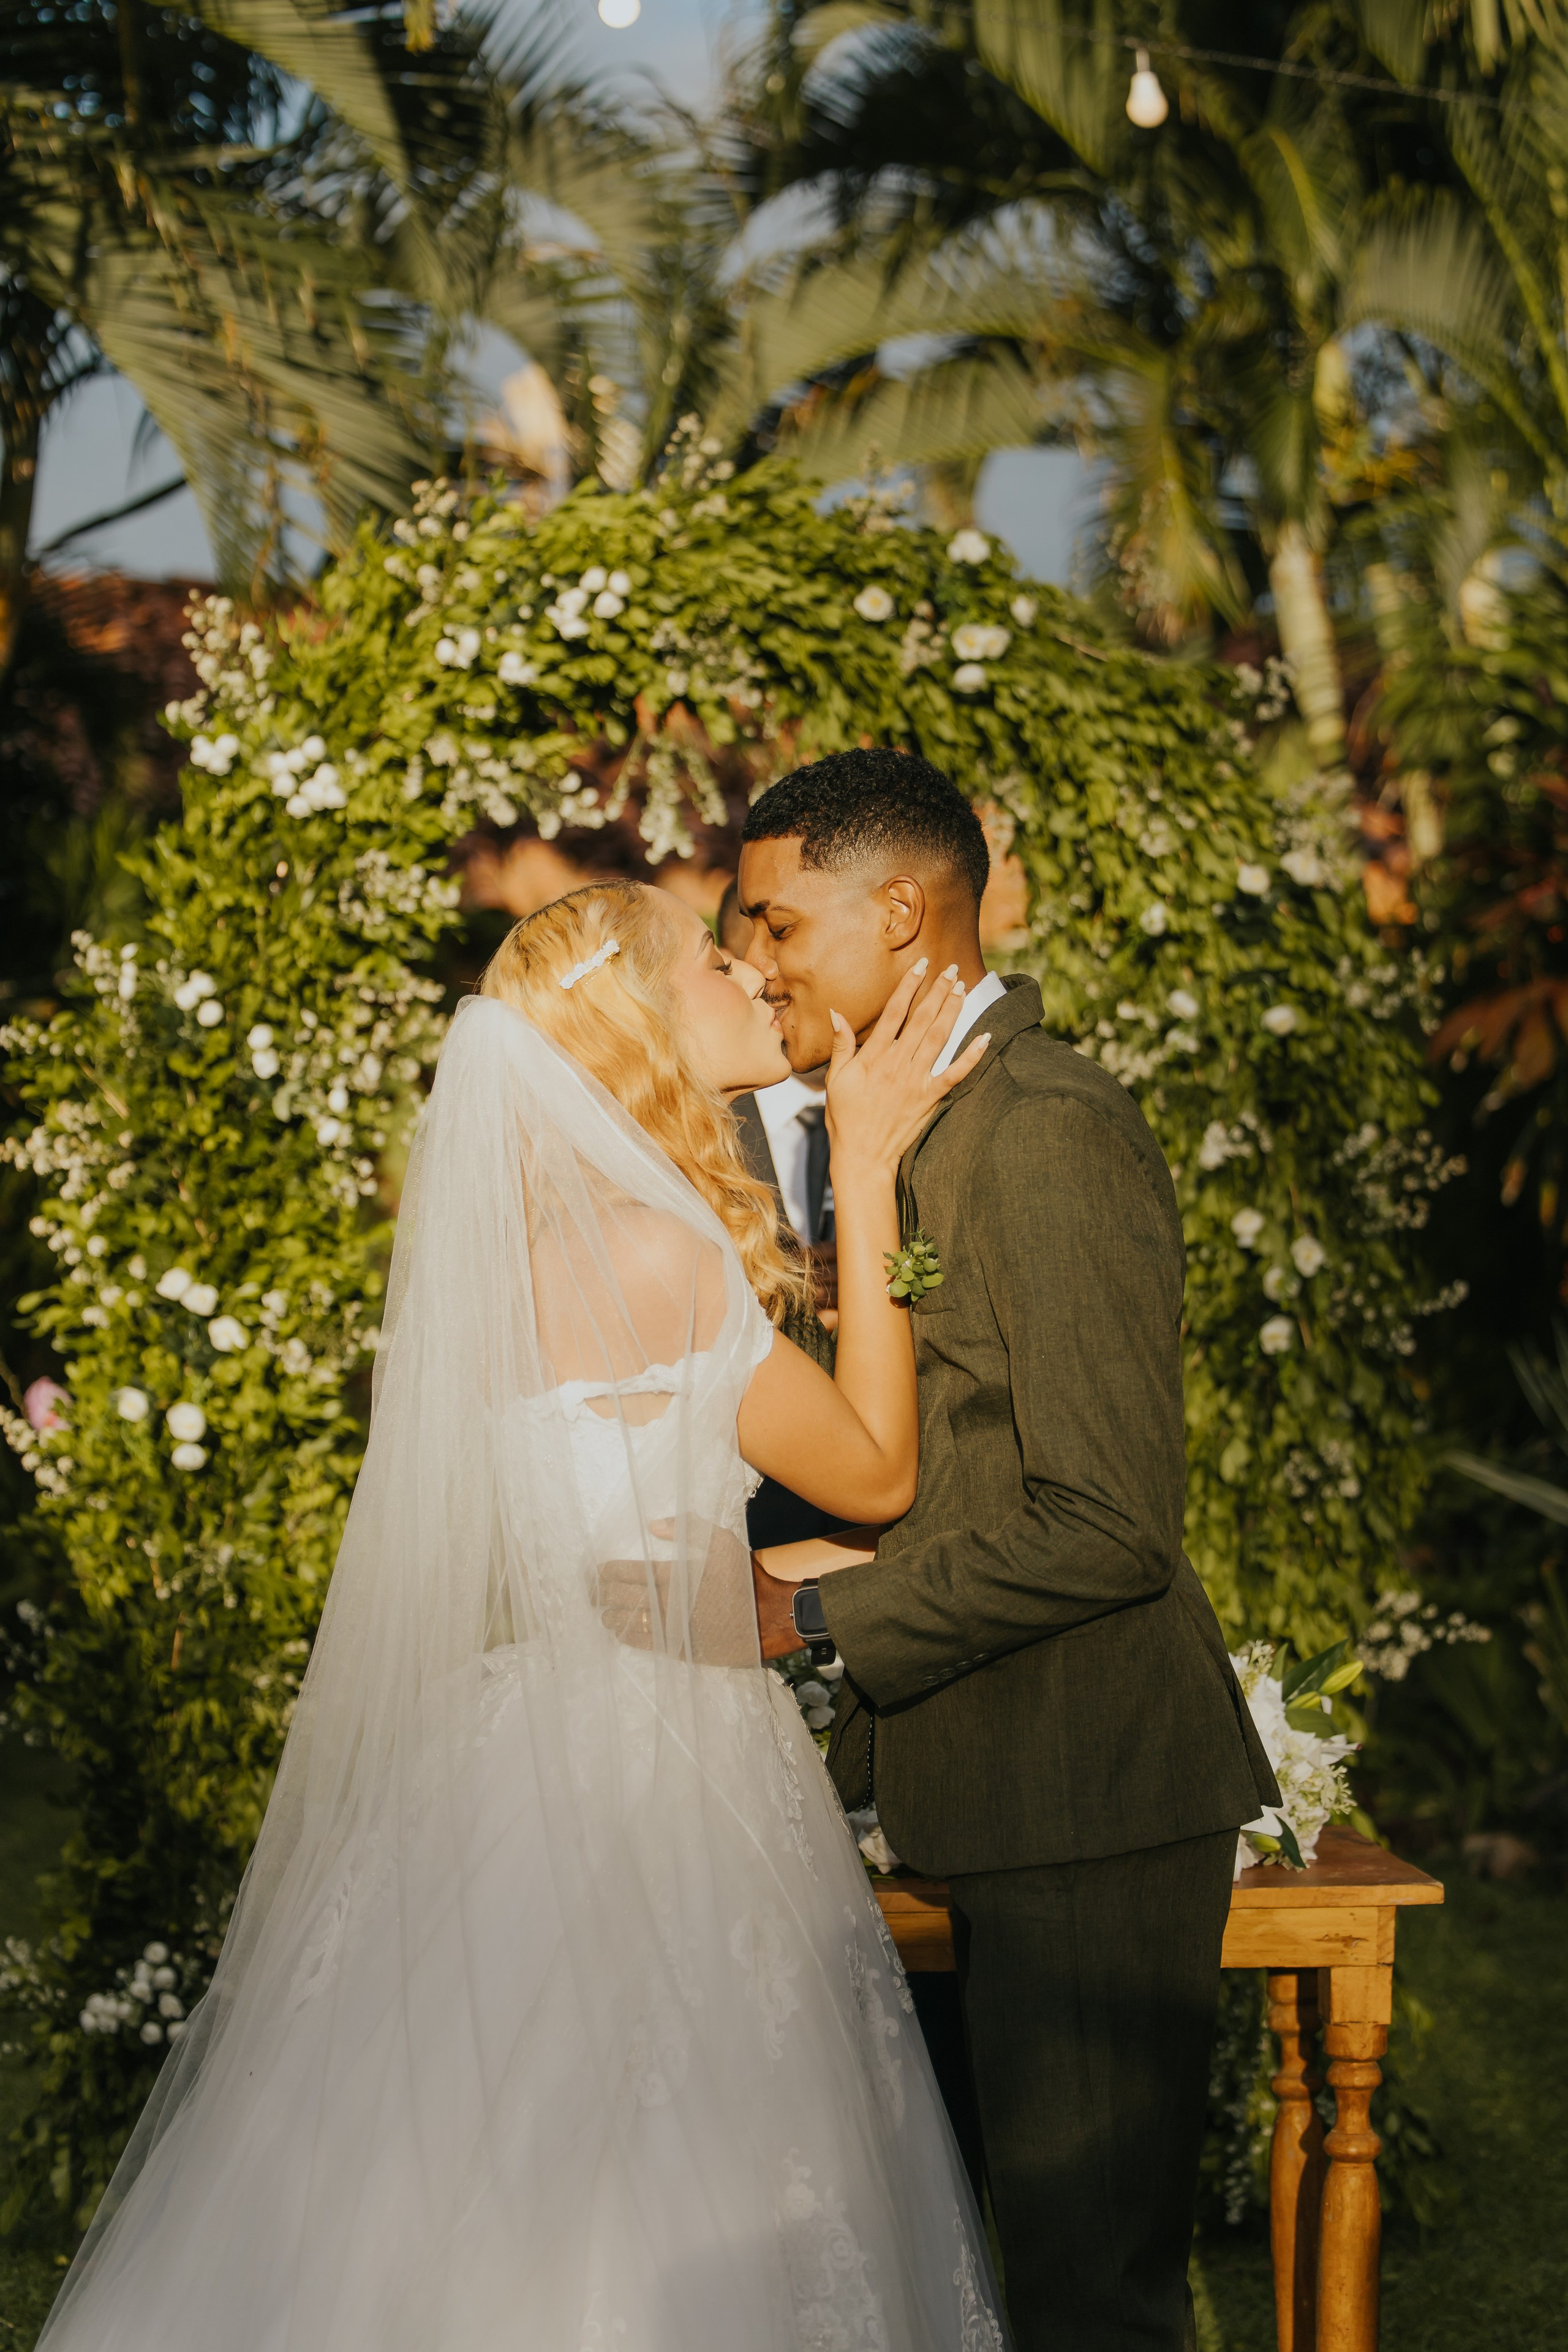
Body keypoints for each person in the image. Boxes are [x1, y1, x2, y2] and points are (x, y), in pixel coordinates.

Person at [36, 880, 1008, 2352]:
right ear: (637, 1019)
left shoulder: (505, 1271)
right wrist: (864, 1165)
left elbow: (624, 1544)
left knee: (443, 2164)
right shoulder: (666, 1257)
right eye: (714, 960)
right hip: (675, 1769)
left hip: (505, 1745)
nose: (750, 975)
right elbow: (874, 1468)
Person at [737, 749, 1281, 2352]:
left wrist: (824, 1621)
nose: (756, 963)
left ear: (902, 914)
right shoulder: (916, 1126)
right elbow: (957, 1467)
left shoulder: (1045, 1129)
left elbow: (1112, 1523)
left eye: (777, 924)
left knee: (1089, 2303)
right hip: (984, 1787)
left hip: (1091, 1794)